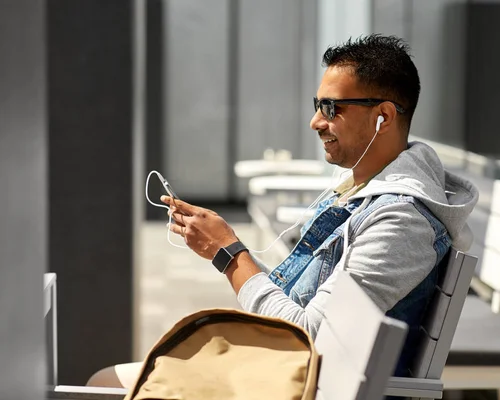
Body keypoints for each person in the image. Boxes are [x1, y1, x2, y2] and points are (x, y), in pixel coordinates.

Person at [88, 34, 478, 387]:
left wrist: (228, 253)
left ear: (384, 117)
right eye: (317, 105)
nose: (315, 122)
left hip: (297, 382)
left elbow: (308, 337)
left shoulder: (401, 222)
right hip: (283, 373)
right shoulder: (363, 191)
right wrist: (220, 243)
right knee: (105, 380)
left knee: (105, 385)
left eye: (331, 107)